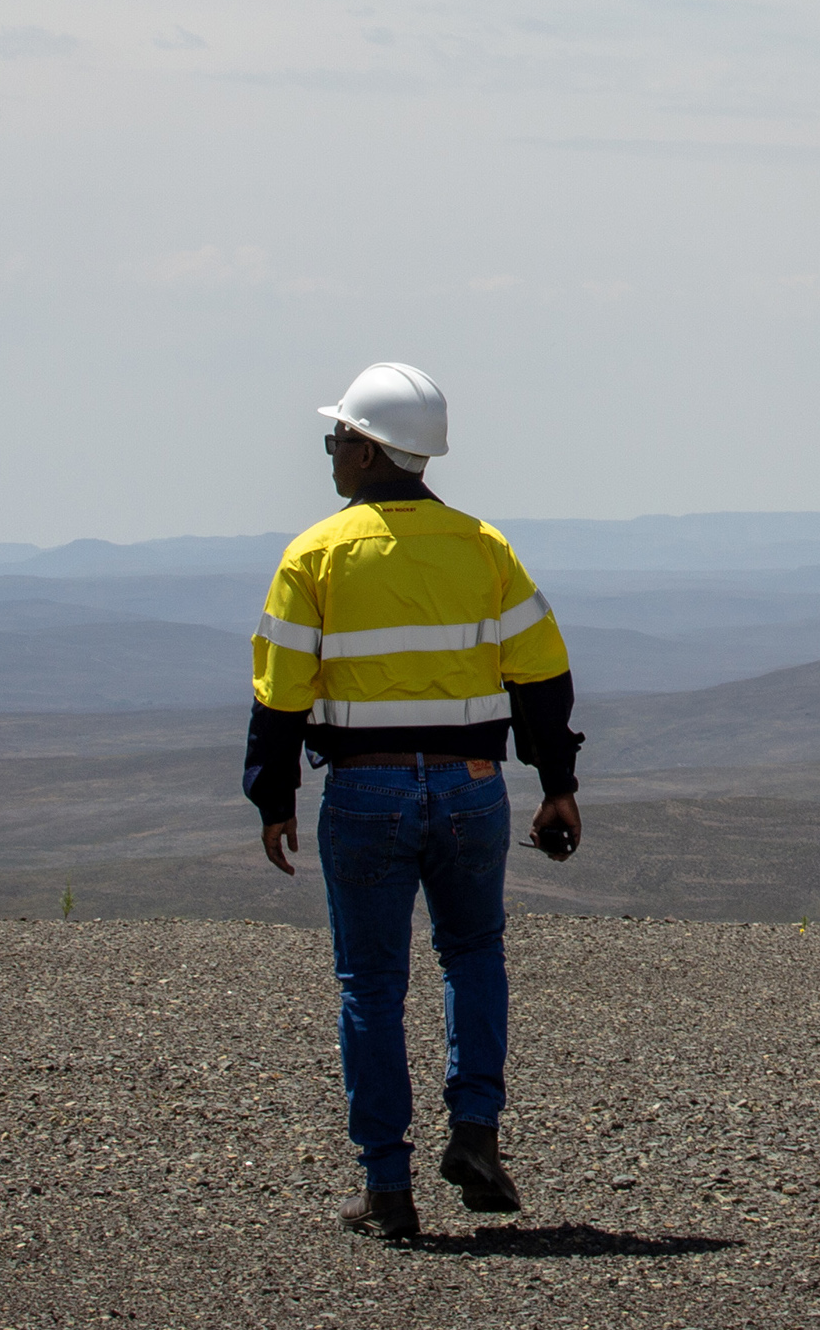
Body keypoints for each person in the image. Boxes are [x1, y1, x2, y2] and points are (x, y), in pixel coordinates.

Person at [244, 361, 585, 1240]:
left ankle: (388, 1189)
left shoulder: (314, 555)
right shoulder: (485, 547)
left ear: (366, 450)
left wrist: (272, 798)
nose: (330, 452)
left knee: (370, 983)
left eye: (336, 438)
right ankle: (474, 1131)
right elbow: (541, 675)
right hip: (473, 789)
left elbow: (279, 694)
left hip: (364, 790)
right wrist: (556, 784)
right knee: (472, 956)